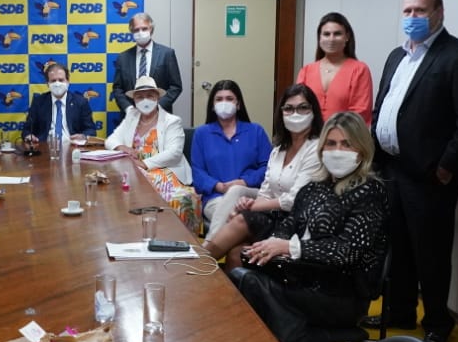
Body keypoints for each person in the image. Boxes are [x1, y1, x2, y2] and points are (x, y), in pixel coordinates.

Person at [370, 0, 458, 342]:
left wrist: (446, 167)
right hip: (392, 169)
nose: (411, 18)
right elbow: (384, 107)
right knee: (398, 247)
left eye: (419, 11)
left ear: (439, 13)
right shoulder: (396, 56)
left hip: (429, 176)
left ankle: (438, 323)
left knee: (431, 254)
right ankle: (402, 311)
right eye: (406, 11)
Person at [234, 112, 389, 342]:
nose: (337, 150)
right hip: (300, 276)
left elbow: (347, 251)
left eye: (346, 144)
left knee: (251, 283)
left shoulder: (370, 192)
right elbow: (289, 224)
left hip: (342, 292)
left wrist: (290, 248)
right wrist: (273, 243)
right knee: (244, 269)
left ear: (361, 150)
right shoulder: (313, 188)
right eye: (331, 143)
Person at [203, 84, 324, 263]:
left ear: (313, 111)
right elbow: (265, 192)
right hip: (274, 215)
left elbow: (295, 200)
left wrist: (250, 207)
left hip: (297, 222)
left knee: (242, 219)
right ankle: (211, 282)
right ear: (281, 113)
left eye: (303, 108)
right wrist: (248, 202)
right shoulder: (279, 150)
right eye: (289, 109)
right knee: (237, 251)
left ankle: (196, 265)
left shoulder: (317, 148)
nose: (295, 114)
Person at [105, 76, 199, 232]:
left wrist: (144, 164)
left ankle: (177, 239)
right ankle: (135, 234)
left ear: (157, 97)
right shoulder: (131, 116)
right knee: (115, 192)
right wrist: (122, 147)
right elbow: (111, 140)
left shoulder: (172, 121)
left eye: (150, 95)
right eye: (140, 97)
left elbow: (174, 153)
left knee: (176, 198)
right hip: (136, 172)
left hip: (166, 172)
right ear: (134, 100)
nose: (145, 100)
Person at [188, 79, 271, 225]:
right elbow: (197, 172)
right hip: (216, 198)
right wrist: (218, 186)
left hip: (250, 194)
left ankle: (209, 246)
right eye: (219, 99)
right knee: (235, 220)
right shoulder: (202, 133)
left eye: (229, 99)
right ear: (213, 106)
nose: (224, 103)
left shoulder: (256, 131)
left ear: (238, 104)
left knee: (242, 218)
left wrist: (244, 181)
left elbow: (268, 168)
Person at [296, 12, 373, 124]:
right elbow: (299, 108)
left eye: (337, 34)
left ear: (347, 37)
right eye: (326, 34)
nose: (331, 39)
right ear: (319, 38)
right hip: (310, 138)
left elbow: (360, 113)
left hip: (345, 139)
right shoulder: (306, 71)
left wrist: (333, 136)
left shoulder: (359, 70)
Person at [111, 12, 182, 114]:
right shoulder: (123, 58)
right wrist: (128, 108)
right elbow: (118, 89)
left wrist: (157, 107)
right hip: (131, 115)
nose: (140, 32)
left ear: (151, 29)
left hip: (160, 114)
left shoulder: (167, 54)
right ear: (131, 31)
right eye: (136, 30)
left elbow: (176, 86)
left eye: (144, 29)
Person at [22, 61, 97, 143]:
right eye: (53, 81)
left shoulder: (80, 102)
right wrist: (28, 136)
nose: (57, 84)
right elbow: (27, 130)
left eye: (61, 80)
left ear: (68, 82)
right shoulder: (39, 102)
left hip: (73, 147)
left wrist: (83, 136)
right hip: (45, 148)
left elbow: (91, 130)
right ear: (47, 84)